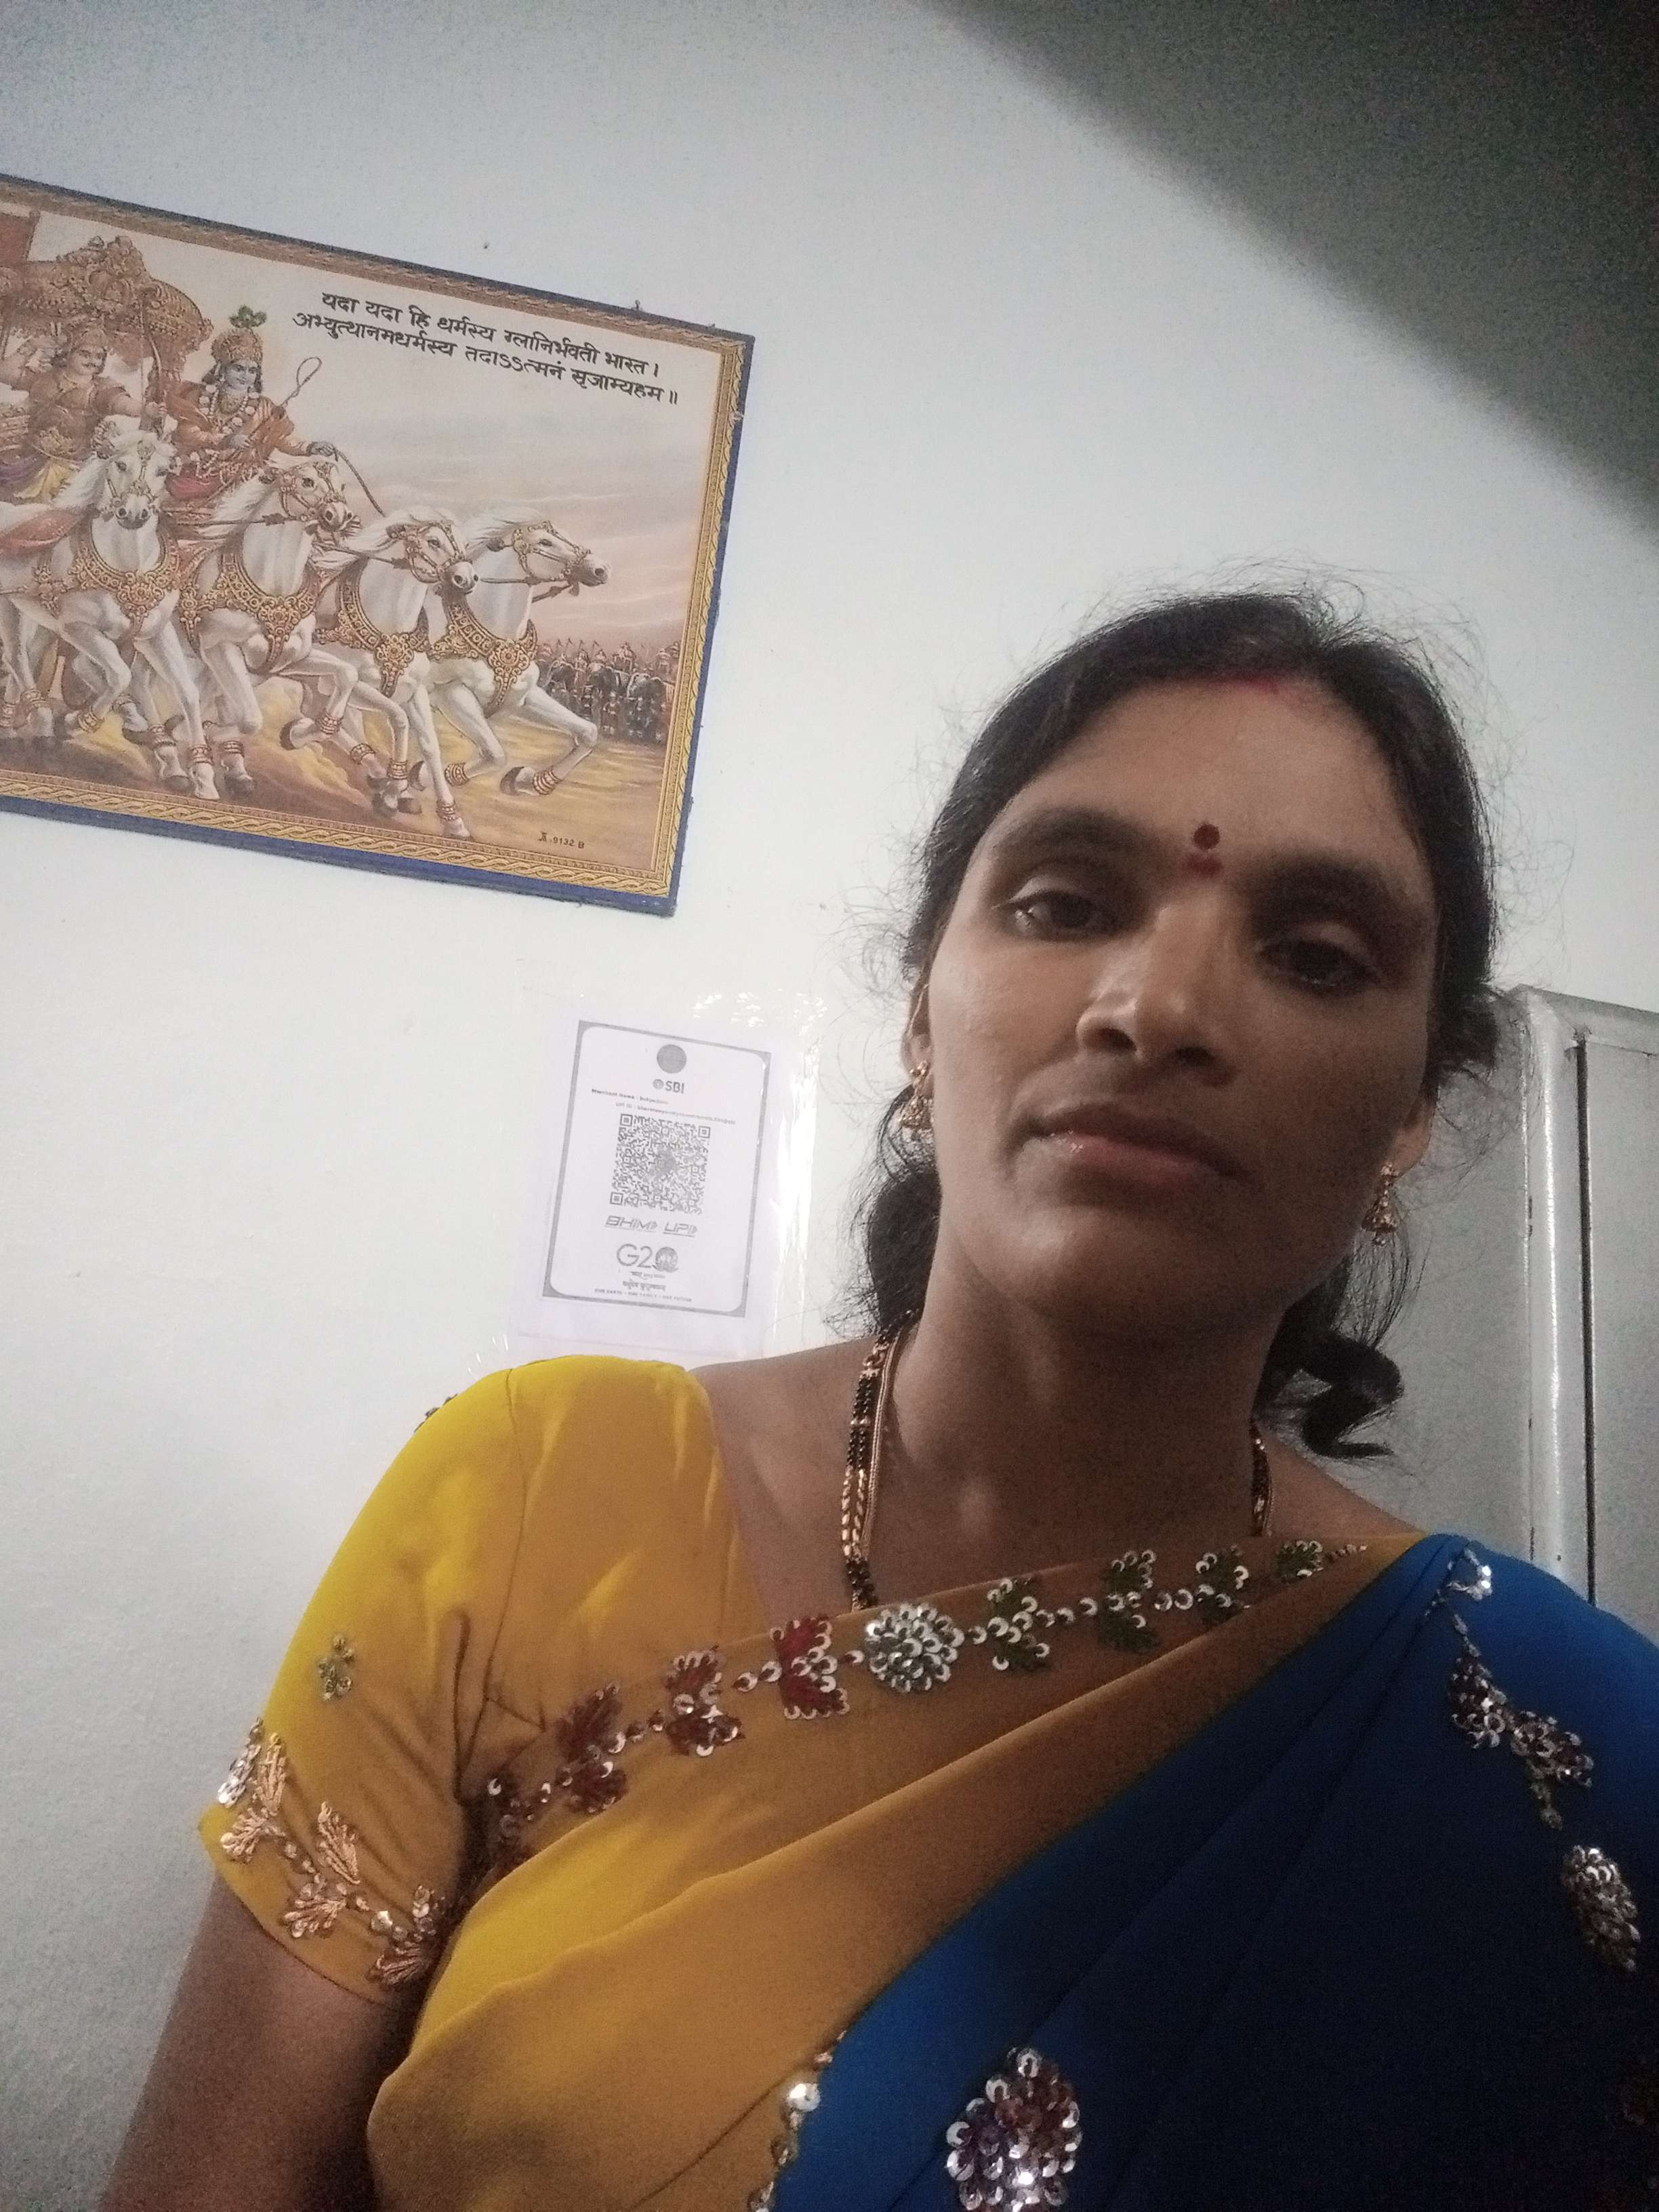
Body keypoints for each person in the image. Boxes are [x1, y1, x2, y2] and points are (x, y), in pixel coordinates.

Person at [102, 588, 1659, 2211]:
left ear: (1411, 1111)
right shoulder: (531, 1495)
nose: (1156, 1010)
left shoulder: (1559, 1765)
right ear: (922, 1007)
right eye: (1065, 903)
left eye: (1315, 956)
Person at [161, 306, 334, 510]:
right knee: (177, 488)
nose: (245, 376)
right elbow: (187, 433)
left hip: (243, 478)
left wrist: (310, 447)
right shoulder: (198, 396)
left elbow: (281, 438)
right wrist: (226, 440)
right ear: (222, 369)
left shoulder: (264, 407)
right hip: (197, 472)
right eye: (239, 368)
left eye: (252, 371)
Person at [0, 319, 144, 501]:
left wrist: (145, 409)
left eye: (98, 356)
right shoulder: (45, 379)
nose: (92, 361)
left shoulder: (100, 390)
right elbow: (5, 373)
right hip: (28, 462)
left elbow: (122, 404)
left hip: (74, 470)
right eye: (85, 354)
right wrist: (32, 345)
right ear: (68, 353)